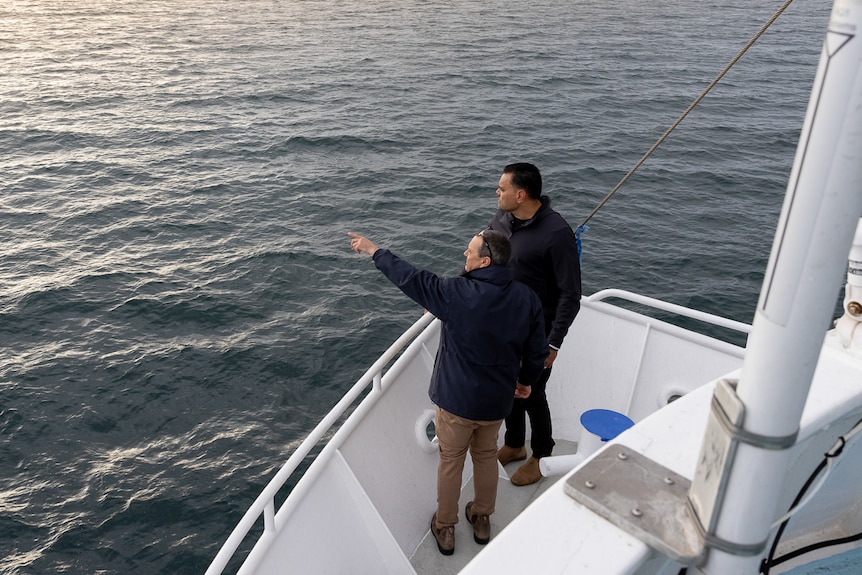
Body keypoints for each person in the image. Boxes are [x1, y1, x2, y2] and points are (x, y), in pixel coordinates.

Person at [348, 229, 547, 556]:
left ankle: (445, 526)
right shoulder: (526, 298)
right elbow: (537, 350)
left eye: (469, 253)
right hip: (496, 403)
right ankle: (482, 518)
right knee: (485, 458)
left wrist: (373, 250)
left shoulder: (456, 293)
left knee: (451, 462)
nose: (463, 256)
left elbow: (411, 279)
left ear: (484, 261)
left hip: (457, 402)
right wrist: (524, 380)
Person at [488, 162, 582, 486]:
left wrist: (554, 343)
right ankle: (514, 444)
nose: (497, 193)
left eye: (502, 189)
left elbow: (571, 295)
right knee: (508, 386)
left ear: (521, 194)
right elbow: (484, 258)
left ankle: (542, 454)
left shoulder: (557, 234)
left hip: (537, 335)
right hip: (503, 328)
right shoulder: (501, 219)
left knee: (532, 393)